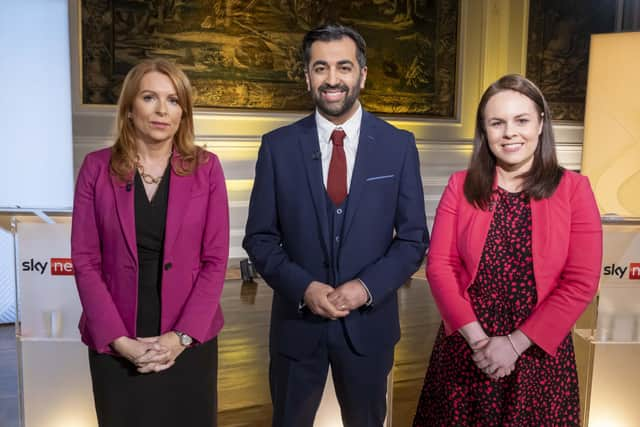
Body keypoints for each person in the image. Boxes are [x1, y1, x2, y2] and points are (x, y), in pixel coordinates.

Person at [243, 24, 429, 427]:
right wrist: (305, 289)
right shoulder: (277, 148)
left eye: (343, 67)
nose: (332, 79)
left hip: (369, 330)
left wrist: (364, 289)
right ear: (307, 75)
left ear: (362, 74)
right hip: (296, 329)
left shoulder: (399, 146)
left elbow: (413, 240)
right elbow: (259, 239)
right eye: (320, 67)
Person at [413, 74, 602, 426]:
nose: (509, 133)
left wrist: (514, 345)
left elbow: (580, 282)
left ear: (541, 123)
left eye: (521, 120)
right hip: (468, 349)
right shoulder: (460, 186)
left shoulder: (575, 190)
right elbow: (440, 267)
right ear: (485, 131)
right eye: (497, 123)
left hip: (538, 352)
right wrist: (480, 343)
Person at [71, 58, 229, 427]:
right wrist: (118, 340)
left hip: (188, 338)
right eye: (149, 97)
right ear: (128, 108)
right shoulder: (96, 168)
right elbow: (85, 260)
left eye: (173, 100)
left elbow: (216, 260)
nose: (162, 110)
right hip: (118, 339)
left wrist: (181, 337)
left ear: (183, 113)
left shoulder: (207, 168)